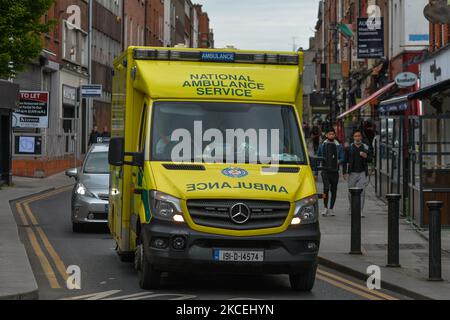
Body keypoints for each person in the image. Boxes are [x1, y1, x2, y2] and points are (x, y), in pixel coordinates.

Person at [343, 130, 373, 217]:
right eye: (355, 136)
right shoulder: (349, 148)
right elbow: (345, 161)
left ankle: (360, 210)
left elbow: (371, 159)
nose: (357, 138)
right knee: (350, 192)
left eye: (359, 136)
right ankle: (352, 207)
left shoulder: (365, 147)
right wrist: (344, 172)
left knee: (362, 192)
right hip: (352, 173)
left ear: (361, 137)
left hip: (362, 173)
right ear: (353, 138)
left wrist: (366, 156)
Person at [317, 127, 345, 217]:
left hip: (335, 171)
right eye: (329, 134)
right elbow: (318, 157)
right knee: (325, 189)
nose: (331, 135)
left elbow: (343, 158)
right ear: (326, 135)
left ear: (335, 135)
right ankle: (325, 208)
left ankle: (331, 208)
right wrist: (315, 172)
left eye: (333, 134)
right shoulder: (322, 146)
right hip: (325, 171)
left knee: (334, 190)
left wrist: (338, 161)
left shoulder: (339, 146)